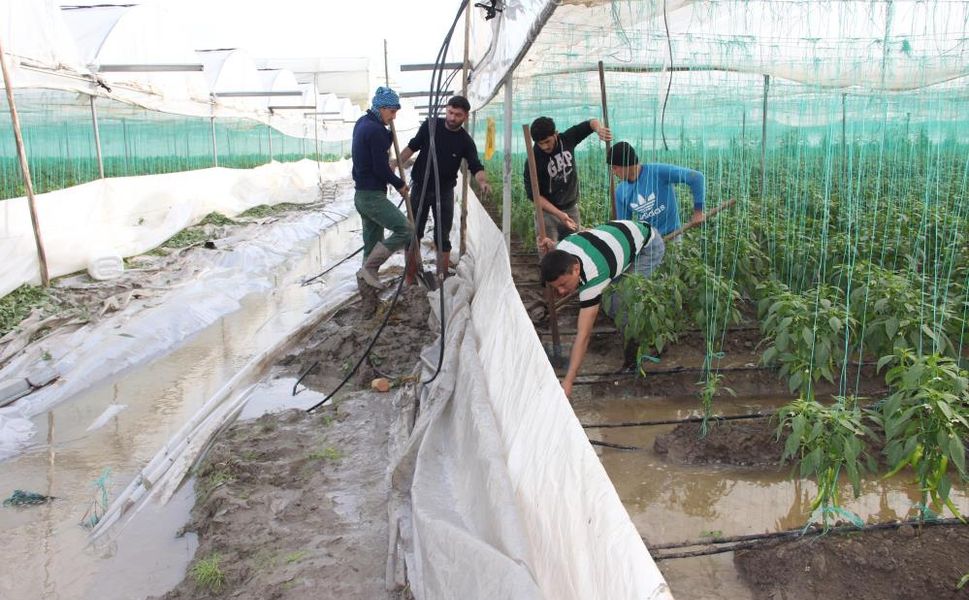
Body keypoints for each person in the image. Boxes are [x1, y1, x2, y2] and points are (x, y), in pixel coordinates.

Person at [538, 219, 665, 397]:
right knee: (611, 303)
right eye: (556, 287)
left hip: (647, 247)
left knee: (622, 305)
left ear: (576, 269)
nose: (561, 291)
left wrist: (568, 380)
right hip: (618, 240)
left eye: (563, 284)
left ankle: (634, 359)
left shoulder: (594, 277)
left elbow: (583, 335)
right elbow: (565, 246)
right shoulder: (563, 247)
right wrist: (552, 246)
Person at [396, 95, 492, 278]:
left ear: (465, 117)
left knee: (442, 236)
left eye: (457, 115)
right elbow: (412, 147)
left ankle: (441, 278)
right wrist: (396, 163)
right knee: (413, 233)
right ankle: (410, 279)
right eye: (450, 112)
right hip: (420, 188)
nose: (452, 117)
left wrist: (482, 181)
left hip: (444, 191)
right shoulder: (430, 126)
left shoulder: (465, 141)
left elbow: (475, 165)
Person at [352, 86, 412, 290]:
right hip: (372, 197)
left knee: (372, 243)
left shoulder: (363, 123)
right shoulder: (375, 130)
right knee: (406, 230)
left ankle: (367, 288)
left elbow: (372, 154)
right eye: (392, 112)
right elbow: (380, 168)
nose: (393, 117)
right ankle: (369, 269)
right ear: (382, 108)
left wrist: (387, 138)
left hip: (361, 194)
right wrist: (399, 184)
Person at [524, 116, 612, 246]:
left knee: (574, 248)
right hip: (547, 214)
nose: (544, 146)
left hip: (571, 209)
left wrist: (599, 129)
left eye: (547, 141)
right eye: (540, 143)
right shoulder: (532, 160)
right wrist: (559, 214)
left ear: (555, 133)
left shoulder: (567, 139)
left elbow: (590, 123)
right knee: (549, 250)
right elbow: (534, 196)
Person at [609, 141, 706, 236]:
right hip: (647, 241)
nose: (613, 172)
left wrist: (698, 212)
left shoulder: (658, 172)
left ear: (626, 164)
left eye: (615, 168)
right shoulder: (620, 192)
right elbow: (625, 225)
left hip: (672, 235)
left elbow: (696, 177)